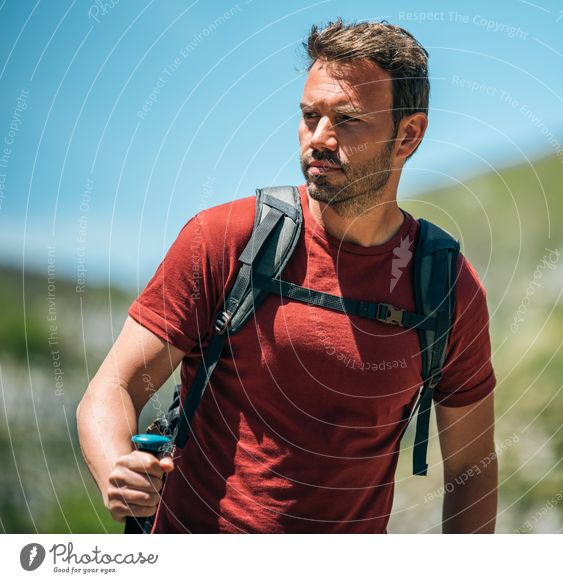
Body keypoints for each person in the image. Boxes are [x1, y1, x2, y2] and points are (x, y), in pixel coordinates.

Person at [77, 18, 497, 534]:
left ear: (407, 135)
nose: (319, 138)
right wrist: (115, 471)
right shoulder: (224, 239)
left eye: (347, 119)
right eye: (309, 115)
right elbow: (112, 388)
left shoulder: (446, 285)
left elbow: (471, 470)